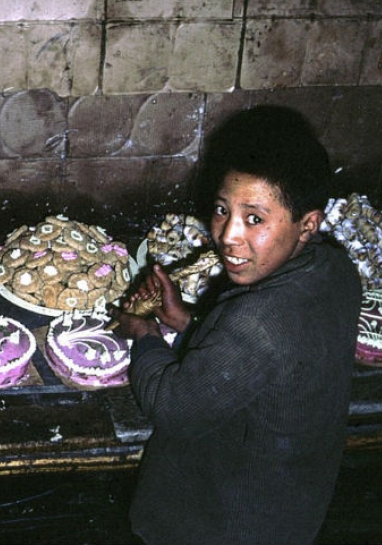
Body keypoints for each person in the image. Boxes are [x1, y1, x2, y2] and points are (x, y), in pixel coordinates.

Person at [109, 105, 362, 545]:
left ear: (308, 224)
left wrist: (145, 333)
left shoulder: (259, 321)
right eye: (223, 209)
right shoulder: (336, 269)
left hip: (229, 519)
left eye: (255, 219)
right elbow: (264, 365)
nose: (227, 235)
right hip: (290, 501)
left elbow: (173, 406)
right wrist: (186, 320)